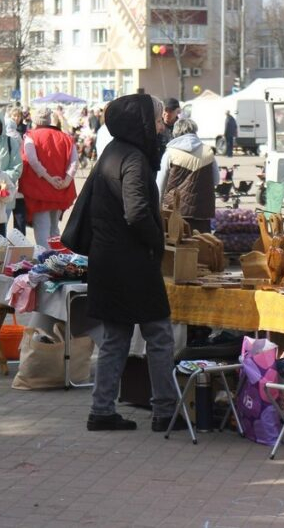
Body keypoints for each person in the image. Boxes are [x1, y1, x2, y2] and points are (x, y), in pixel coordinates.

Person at [82, 94, 180, 432]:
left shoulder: (113, 151)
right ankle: (165, 410)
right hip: (131, 263)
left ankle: (102, 409)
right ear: (139, 122)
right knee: (159, 334)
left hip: (108, 259)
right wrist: (158, 242)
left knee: (116, 337)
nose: (159, 126)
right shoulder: (135, 158)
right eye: (155, 120)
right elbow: (136, 211)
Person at [20, 107, 78, 248]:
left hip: (39, 190)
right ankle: (57, 261)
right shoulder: (66, 137)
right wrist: (66, 181)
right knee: (54, 229)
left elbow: (32, 161)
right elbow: (74, 162)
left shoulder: (31, 136)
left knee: (42, 229)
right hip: (60, 189)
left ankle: (45, 262)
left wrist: (48, 178)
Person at [157, 118, 219, 233]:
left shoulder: (170, 153)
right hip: (202, 211)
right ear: (195, 131)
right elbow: (216, 180)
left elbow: (160, 184)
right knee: (203, 245)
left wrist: (158, 207)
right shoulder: (208, 151)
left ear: (176, 133)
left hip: (174, 211)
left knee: (178, 247)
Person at [4, 105, 28, 234]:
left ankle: (16, 245)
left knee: (8, 216)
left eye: (18, 116)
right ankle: (20, 245)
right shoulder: (20, 136)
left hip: (11, 181)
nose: (16, 118)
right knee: (18, 217)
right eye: (14, 115)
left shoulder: (25, 131)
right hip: (18, 180)